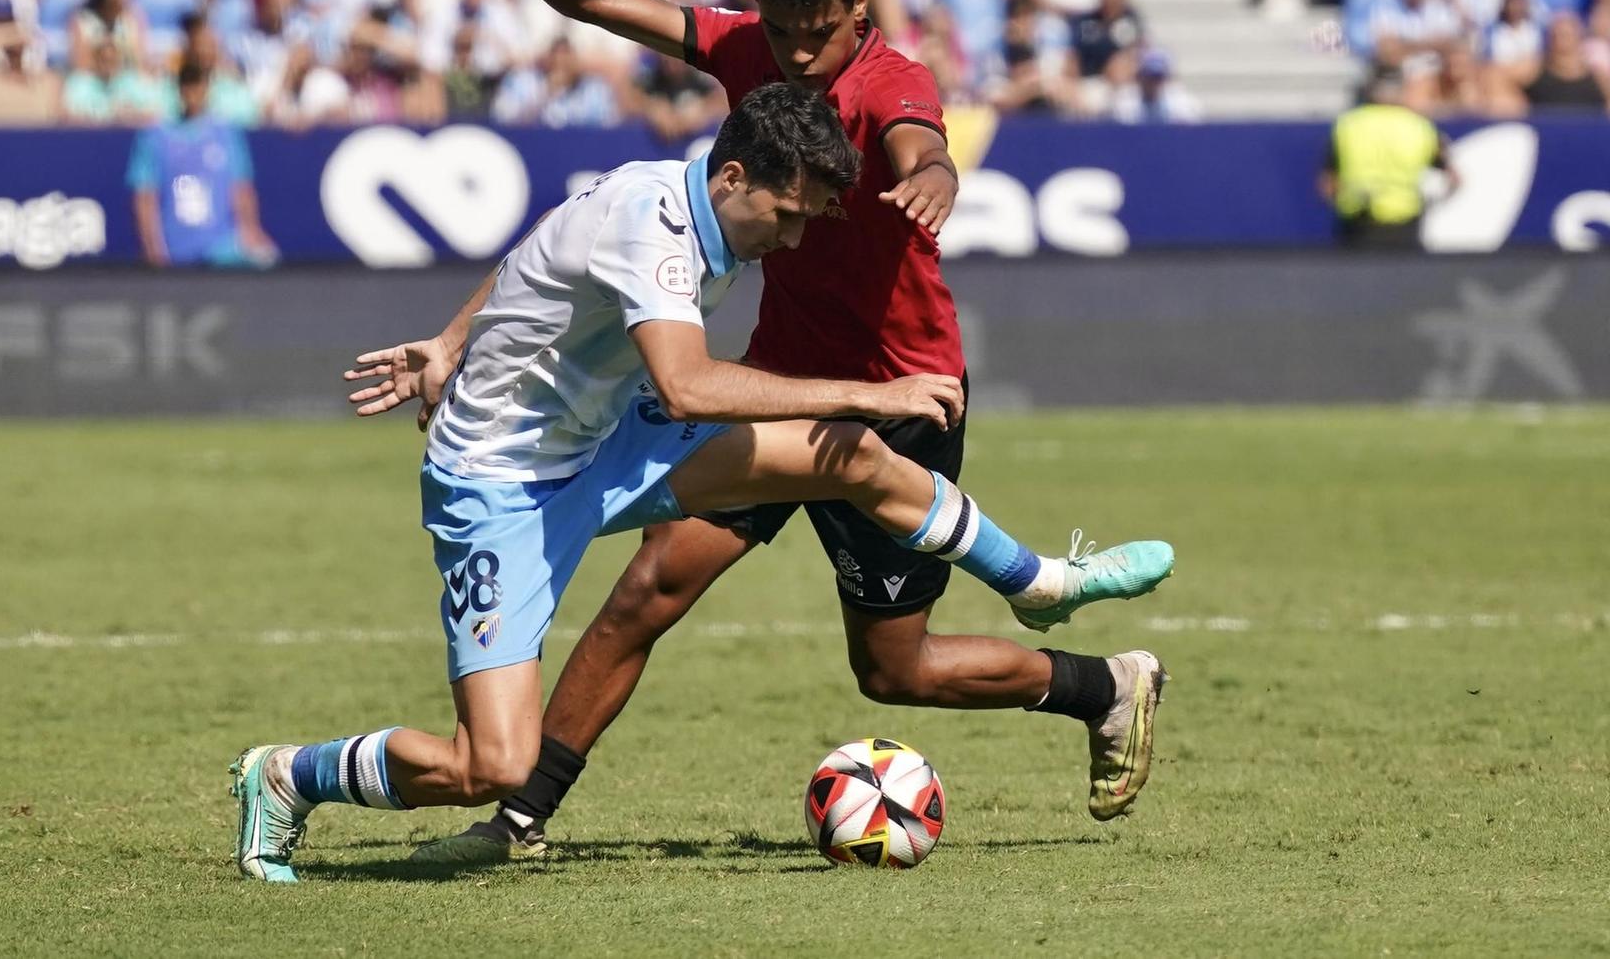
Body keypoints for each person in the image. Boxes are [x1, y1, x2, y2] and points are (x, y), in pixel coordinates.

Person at [391, 0, 1176, 864]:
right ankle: (517, 817)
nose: (800, 51)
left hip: (901, 400)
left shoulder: (890, 79)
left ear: (858, 1)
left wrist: (933, 177)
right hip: (764, 389)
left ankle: (1101, 686)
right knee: (646, 592)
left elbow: (916, 142)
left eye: (819, 26)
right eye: (783, 26)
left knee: (893, 672)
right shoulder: (749, 45)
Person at [234, 84, 1170, 883]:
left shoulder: (661, 192)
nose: (795, 238)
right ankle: (289, 776)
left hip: (607, 438)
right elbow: (688, 382)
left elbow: (539, 249)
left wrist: (450, 337)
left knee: (848, 453)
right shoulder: (658, 228)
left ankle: (1041, 583)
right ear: (733, 179)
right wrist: (866, 386)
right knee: (489, 760)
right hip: (500, 490)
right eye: (789, 213)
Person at [127, 62, 277, 268]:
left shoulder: (226, 133)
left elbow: (241, 189)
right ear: (179, 89)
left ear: (206, 88)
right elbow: (145, 197)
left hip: (222, 249)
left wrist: (250, 230)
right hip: (177, 248)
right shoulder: (155, 137)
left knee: (268, 260)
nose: (193, 92)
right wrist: (154, 249)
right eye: (187, 85)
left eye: (197, 84)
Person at [1319, 75, 1460, 248]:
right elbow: (1454, 179)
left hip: (1358, 220)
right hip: (1405, 220)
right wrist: (1432, 204)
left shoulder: (1348, 124)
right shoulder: (1420, 126)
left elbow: (1327, 183)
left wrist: (1342, 204)